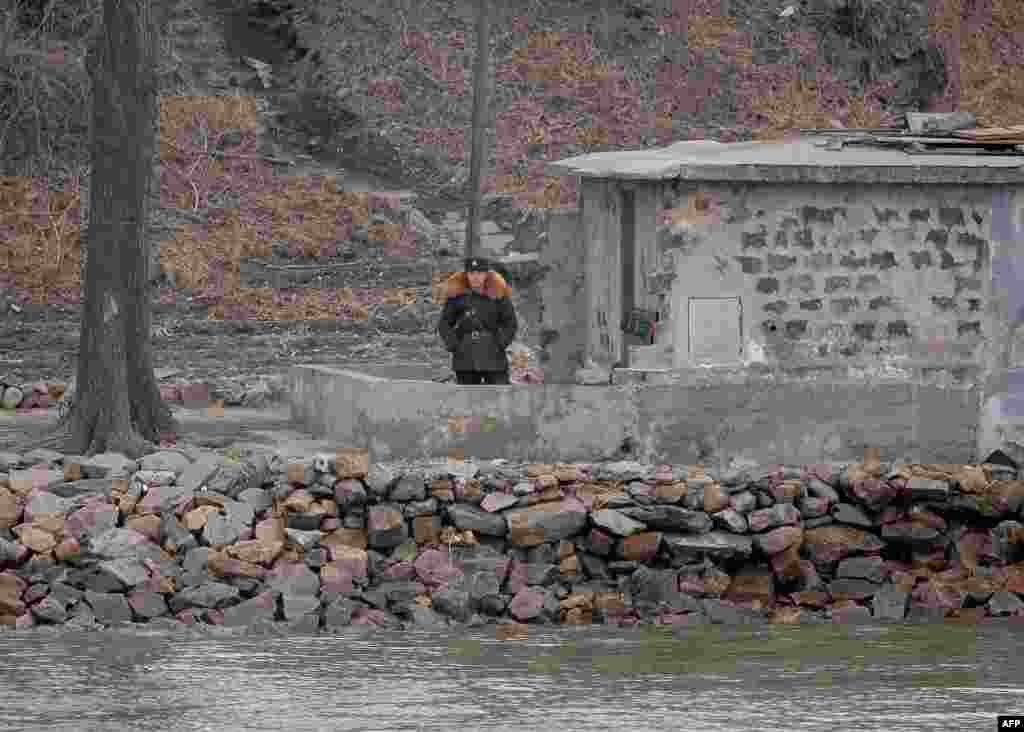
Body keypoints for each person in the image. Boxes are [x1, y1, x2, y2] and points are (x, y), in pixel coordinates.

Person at [438, 256, 518, 385]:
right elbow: (444, 324)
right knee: (467, 400)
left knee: (499, 397)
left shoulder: (498, 294)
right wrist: (455, 345)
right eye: (471, 273)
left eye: (480, 273)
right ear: (466, 274)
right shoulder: (456, 296)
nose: (475, 277)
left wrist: (500, 343)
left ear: (486, 274)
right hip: (465, 357)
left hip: (493, 356)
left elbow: (510, 323)